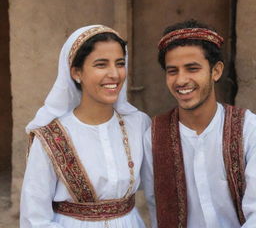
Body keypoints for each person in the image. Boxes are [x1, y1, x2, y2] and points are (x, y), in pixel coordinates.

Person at [20, 25, 151, 228]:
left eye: (120, 63)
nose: (114, 74)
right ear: (76, 72)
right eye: (101, 65)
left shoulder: (139, 124)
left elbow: (156, 191)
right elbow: (34, 219)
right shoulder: (50, 137)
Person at [142, 19, 256, 228]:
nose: (181, 80)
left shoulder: (248, 130)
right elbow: (154, 208)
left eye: (192, 68)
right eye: (172, 71)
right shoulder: (154, 137)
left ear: (216, 71)